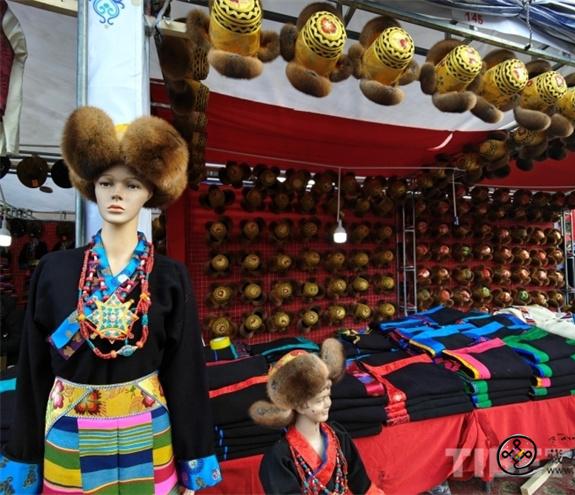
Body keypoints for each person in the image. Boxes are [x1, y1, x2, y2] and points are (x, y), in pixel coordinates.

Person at [0, 107, 221, 494]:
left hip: (149, 431)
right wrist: (24, 460)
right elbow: (33, 371)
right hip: (69, 428)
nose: (118, 193)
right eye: (106, 182)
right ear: (92, 187)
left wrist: (193, 461)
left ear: (150, 191)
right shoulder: (53, 271)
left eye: (132, 184)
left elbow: (185, 373)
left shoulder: (169, 277)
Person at [250, 339, 383, 495]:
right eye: (320, 400)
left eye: (328, 396)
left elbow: (361, 483)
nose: (327, 403)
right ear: (299, 404)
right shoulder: (279, 458)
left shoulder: (338, 435)